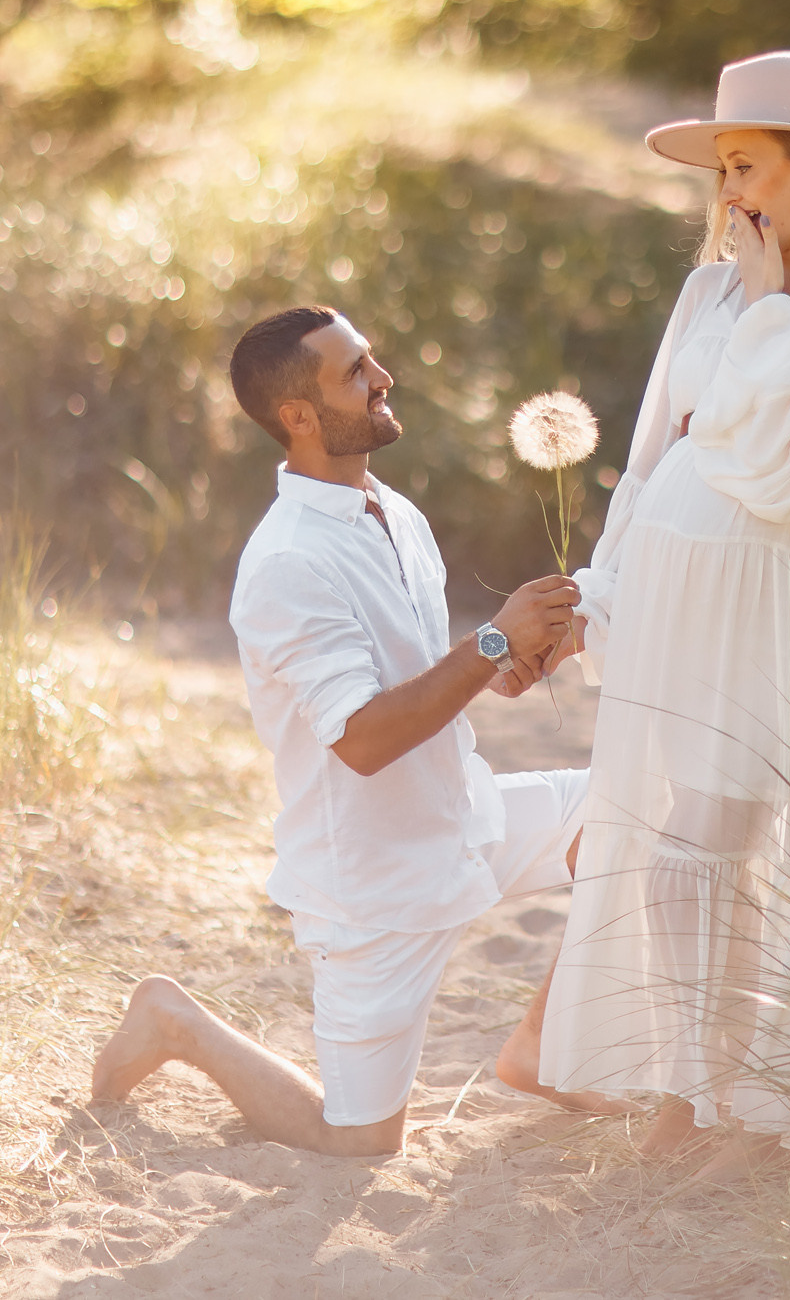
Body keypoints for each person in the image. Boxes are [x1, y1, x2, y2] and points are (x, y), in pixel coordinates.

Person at [537, 50, 790, 1182]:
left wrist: (772, 309)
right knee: (705, 849)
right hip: (672, 581)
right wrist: (600, 595)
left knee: (701, 846)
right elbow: (655, 447)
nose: (729, 192)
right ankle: (710, 1092)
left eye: (747, 163)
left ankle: (711, 1100)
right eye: (721, 167)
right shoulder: (706, 289)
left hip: (778, 595)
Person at [88, 305, 590, 1155]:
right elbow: (361, 739)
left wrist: (509, 666)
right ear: (298, 416)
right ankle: (176, 1021)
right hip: (374, 883)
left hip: (467, 819)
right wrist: (492, 639)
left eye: (372, 359)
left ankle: (546, 1049)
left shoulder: (389, 509)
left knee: (639, 815)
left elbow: (421, 676)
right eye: (356, 370)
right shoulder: (288, 562)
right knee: (357, 1142)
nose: (383, 376)